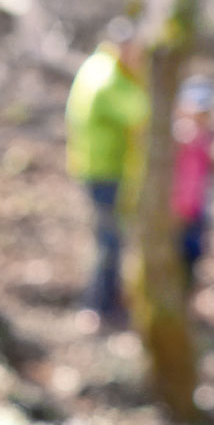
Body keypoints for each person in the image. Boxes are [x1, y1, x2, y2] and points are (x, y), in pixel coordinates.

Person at [65, 20, 149, 330]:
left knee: (108, 238)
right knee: (109, 240)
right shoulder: (111, 78)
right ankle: (98, 306)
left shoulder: (95, 66)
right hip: (106, 170)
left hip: (93, 166)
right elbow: (143, 113)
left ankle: (104, 303)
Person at [170, 76, 214, 290]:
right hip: (176, 209)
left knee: (193, 255)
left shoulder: (206, 139)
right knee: (174, 256)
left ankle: (185, 299)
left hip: (196, 208)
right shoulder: (177, 137)